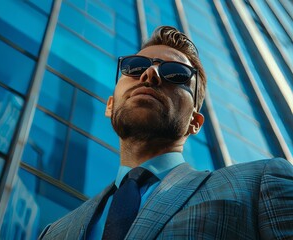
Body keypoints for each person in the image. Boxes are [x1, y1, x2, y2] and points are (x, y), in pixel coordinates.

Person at [39, 26, 293, 239]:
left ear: (195, 121)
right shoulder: (55, 232)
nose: (150, 74)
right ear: (110, 105)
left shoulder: (259, 183)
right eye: (135, 67)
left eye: (176, 74)